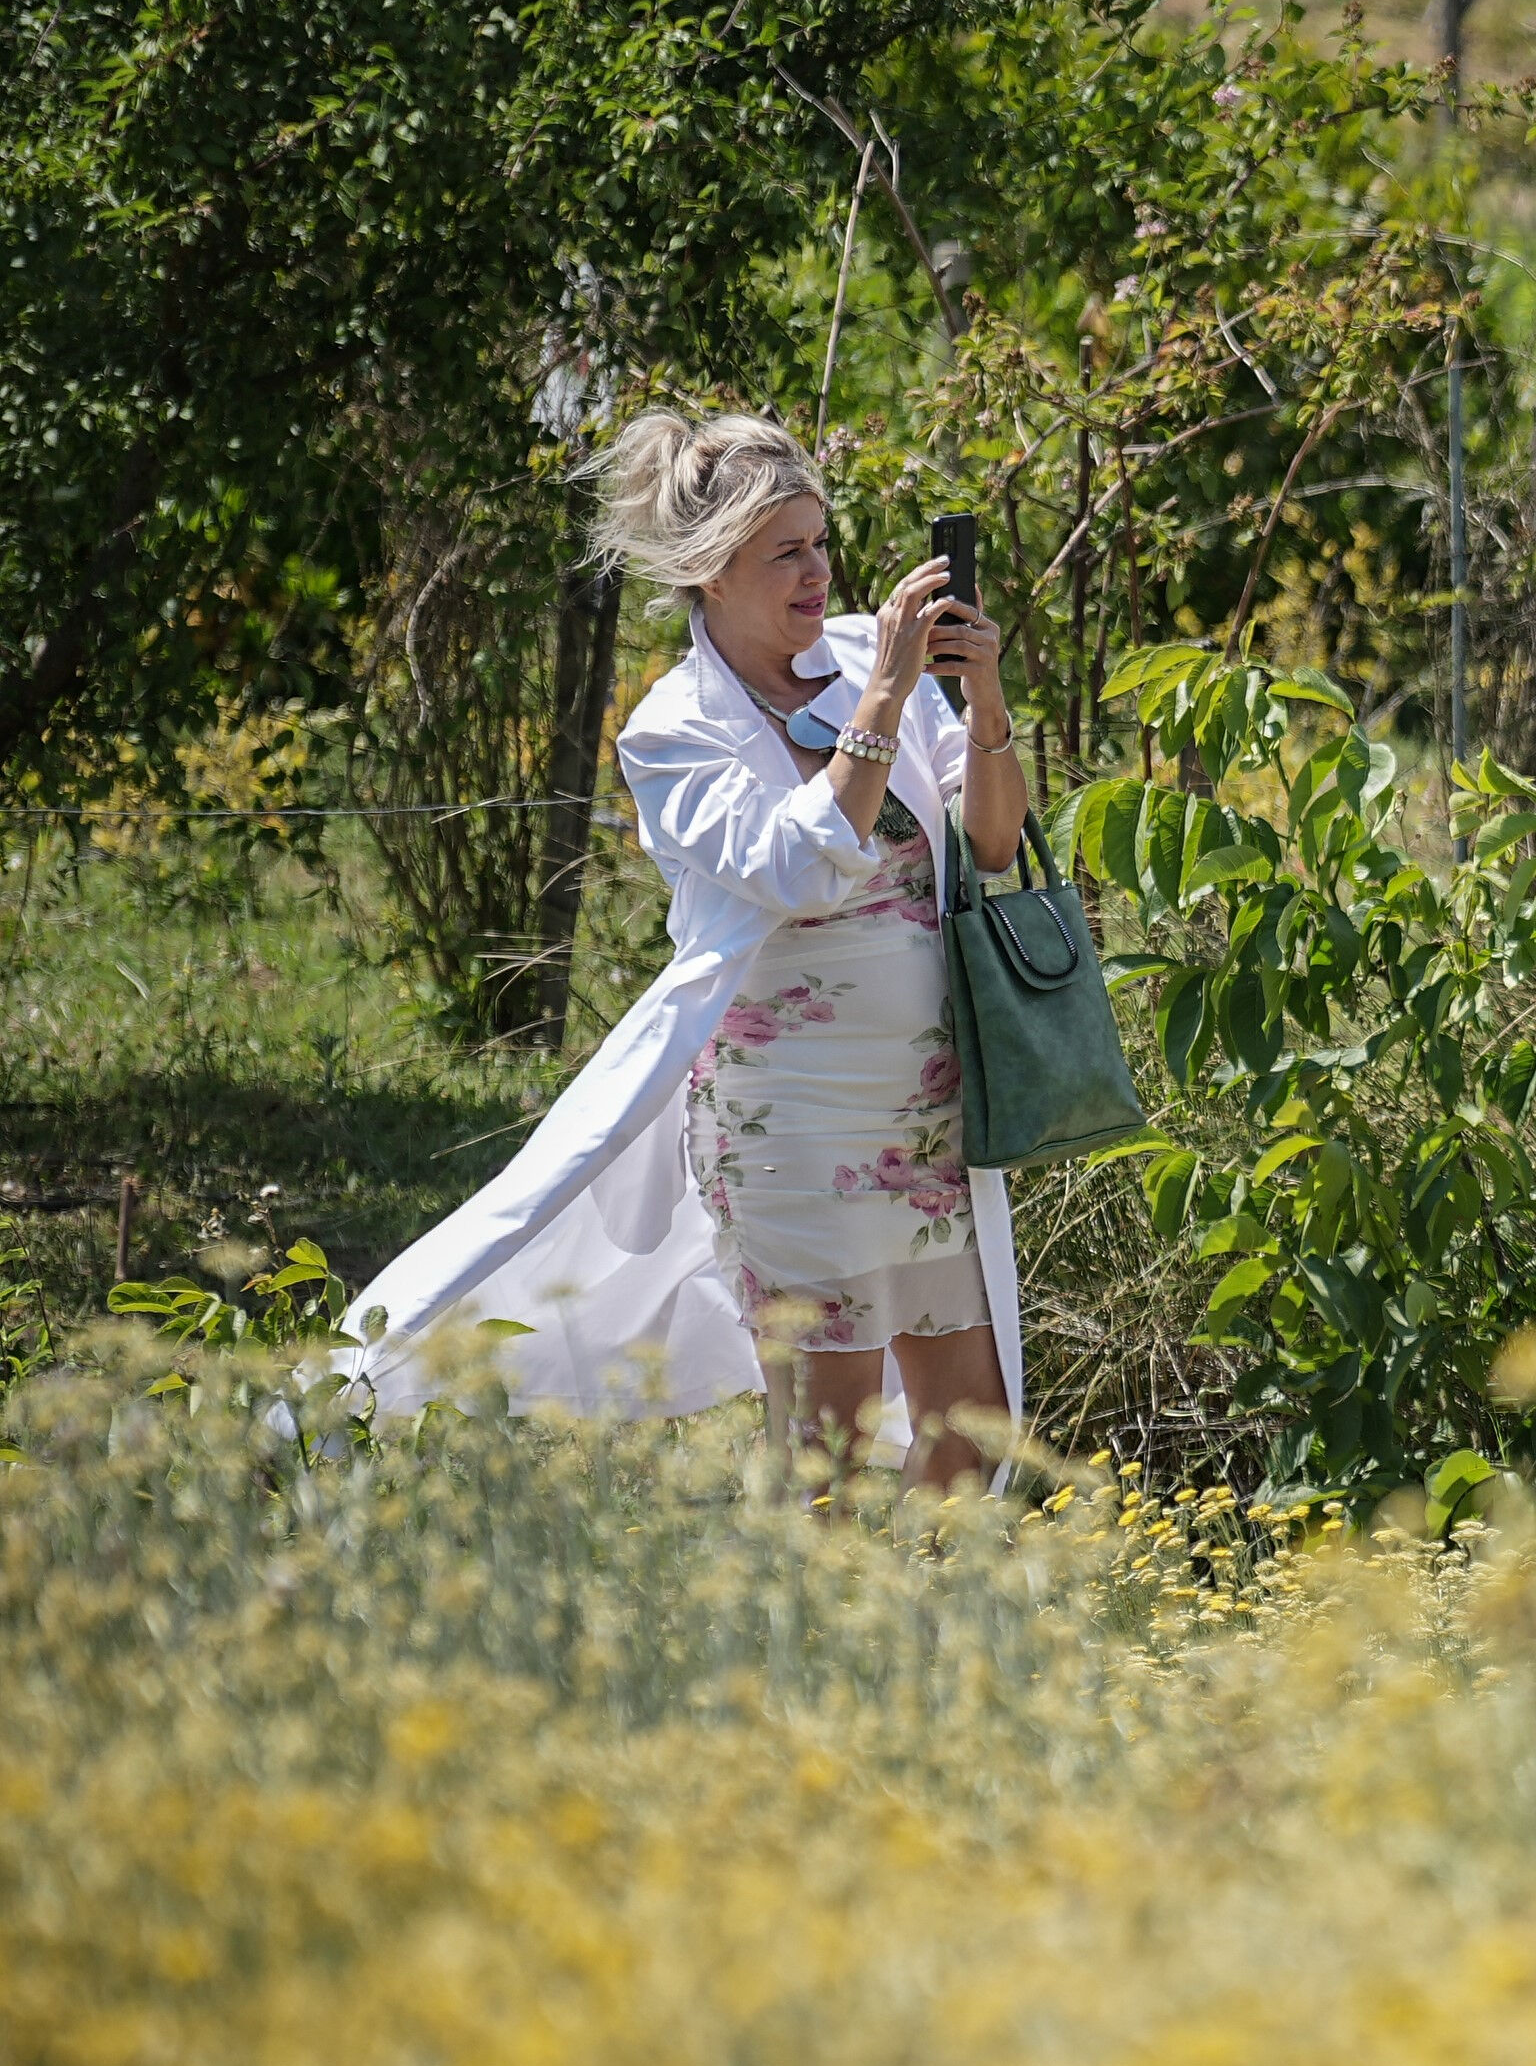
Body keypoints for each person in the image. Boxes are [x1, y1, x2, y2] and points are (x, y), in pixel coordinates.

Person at [346, 411, 1035, 1488]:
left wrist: (980, 696)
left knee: (973, 1425)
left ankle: (915, 1639)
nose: (819, 574)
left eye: (821, 542)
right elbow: (795, 871)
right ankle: (810, 1643)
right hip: (792, 1125)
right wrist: (890, 699)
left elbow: (991, 843)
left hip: (929, 1110)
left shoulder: (862, 649)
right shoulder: (676, 729)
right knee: (831, 1449)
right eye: (786, 554)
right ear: (712, 572)